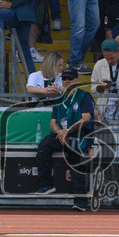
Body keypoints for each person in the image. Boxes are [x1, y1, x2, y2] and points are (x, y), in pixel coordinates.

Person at [34, 68, 95, 210]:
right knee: (44, 147)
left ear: (77, 80)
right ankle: (46, 185)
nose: (67, 81)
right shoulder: (59, 98)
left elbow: (86, 118)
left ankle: (80, 201)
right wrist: (60, 133)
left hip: (78, 135)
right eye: (64, 78)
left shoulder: (84, 96)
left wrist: (68, 131)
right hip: (62, 134)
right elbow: (53, 122)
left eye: (70, 78)